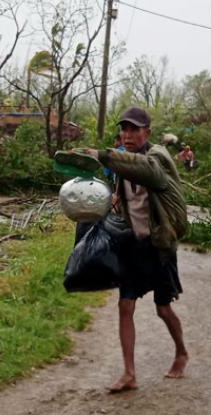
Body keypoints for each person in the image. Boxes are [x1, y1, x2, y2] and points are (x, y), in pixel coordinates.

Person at [76, 106, 189, 393]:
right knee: (125, 306)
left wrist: (102, 155)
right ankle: (129, 374)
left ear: (147, 133)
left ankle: (181, 352)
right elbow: (122, 189)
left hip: (159, 246)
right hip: (134, 245)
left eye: (134, 129)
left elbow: (146, 171)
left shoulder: (158, 159)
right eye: (124, 129)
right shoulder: (121, 165)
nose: (127, 135)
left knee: (163, 309)